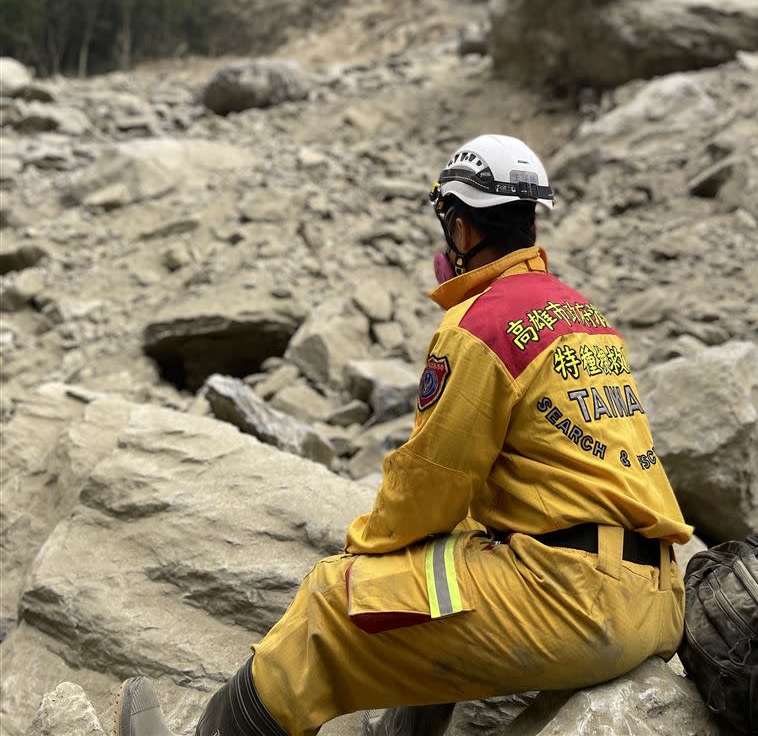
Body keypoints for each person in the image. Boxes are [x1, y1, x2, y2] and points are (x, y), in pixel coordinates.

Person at [115, 133, 692, 736]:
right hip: (653, 595)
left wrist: (360, 545)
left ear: (462, 229)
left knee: (330, 604)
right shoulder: (583, 315)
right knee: (441, 562)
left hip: (575, 601)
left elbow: (430, 487)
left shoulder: (482, 326)